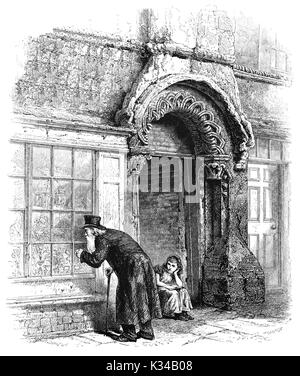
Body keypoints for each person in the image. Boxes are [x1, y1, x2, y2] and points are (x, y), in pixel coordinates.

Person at [75, 215, 162, 342]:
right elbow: (120, 251)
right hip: (144, 263)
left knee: (125, 297)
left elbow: (96, 260)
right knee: (142, 296)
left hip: (132, 266)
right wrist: (114, 267)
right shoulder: (112, 233)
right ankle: (147, 330)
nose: (85, 234)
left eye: (86, 231)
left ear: (94, 230)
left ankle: (129, 334)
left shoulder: (102, 239)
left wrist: (82, 254)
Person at [154, 255, 194, 321]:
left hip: (170, 288)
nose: (170, 267)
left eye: (173, 266)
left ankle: (184, 312)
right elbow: (157, 282)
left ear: (177, 267)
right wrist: (168, 287)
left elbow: (180, 284)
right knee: (174, 293)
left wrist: (175, 274)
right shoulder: (160, 269)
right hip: (161, 289)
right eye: (169, 264)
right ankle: (176, 314)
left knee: (183, 291)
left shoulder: (175, 273)